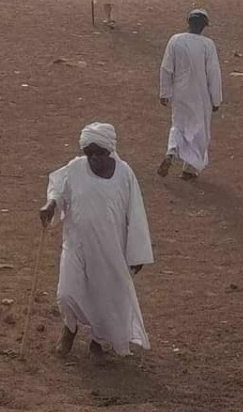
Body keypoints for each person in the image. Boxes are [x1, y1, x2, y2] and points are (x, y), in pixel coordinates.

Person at [39, 122, 154, 364]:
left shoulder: (124, 174)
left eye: (99, 154)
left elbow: (136, 215)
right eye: (89, 154)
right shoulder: (75, 168)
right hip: (76, 244)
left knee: (105, 298)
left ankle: (97, 342)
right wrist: (51, 204)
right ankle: (69, 328)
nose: (94, 159)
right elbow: (58, 189)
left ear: (109, 151)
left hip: (109, 250)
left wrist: (137, 253)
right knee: (66, 293)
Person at [157, 9, 222, 180]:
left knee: (178, 125)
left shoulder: (175, 40)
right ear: (204, 26)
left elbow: (166, 68)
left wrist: (165, 92)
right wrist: (216, 100)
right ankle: (189, 170)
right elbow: (213, 73)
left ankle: (171, 151)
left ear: (188, 23)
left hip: (180, 93)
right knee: (199, 132)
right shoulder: (208, 45)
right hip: (201, 96)